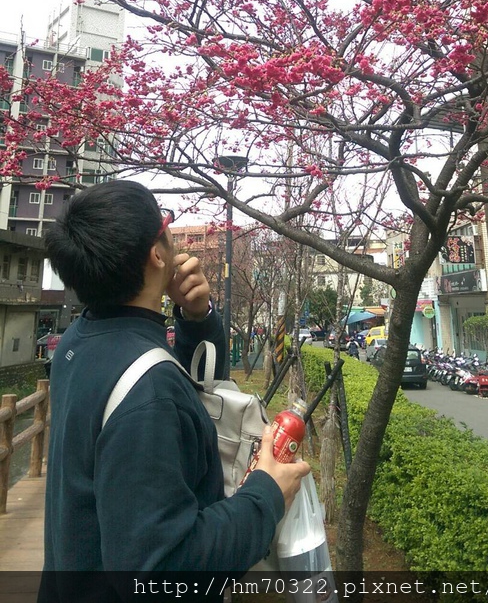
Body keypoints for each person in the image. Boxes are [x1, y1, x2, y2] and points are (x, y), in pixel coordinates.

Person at [37, 180, 309, 600]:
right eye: (167, 224)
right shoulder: (149, 393)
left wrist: (196, 316)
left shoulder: (79, 341)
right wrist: (266, 496)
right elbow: (162, 572)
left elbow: (189, 384)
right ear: (158, 253)